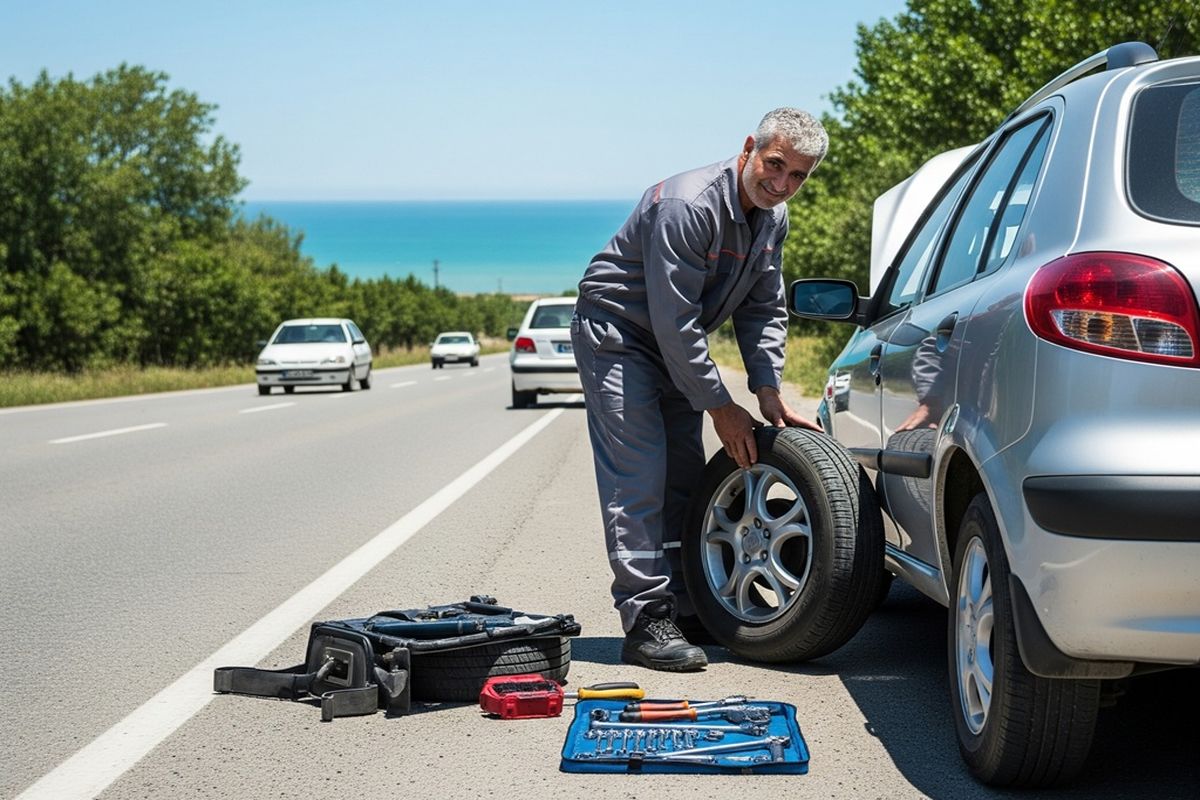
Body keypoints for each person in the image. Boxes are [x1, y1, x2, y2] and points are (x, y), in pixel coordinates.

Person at [571, 108, 827, 671]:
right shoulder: (686, 205)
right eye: (775, 166)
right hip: (619, 335)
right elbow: (675, 321)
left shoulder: (772, 217)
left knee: (685, 480)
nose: (782, 185)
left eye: (798, 176)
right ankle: (644, 621)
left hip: (668, 343)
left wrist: (766, 389)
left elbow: (763, 307)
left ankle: (686, 605)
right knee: (639, 475)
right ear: (748, 149)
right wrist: (720, 407)